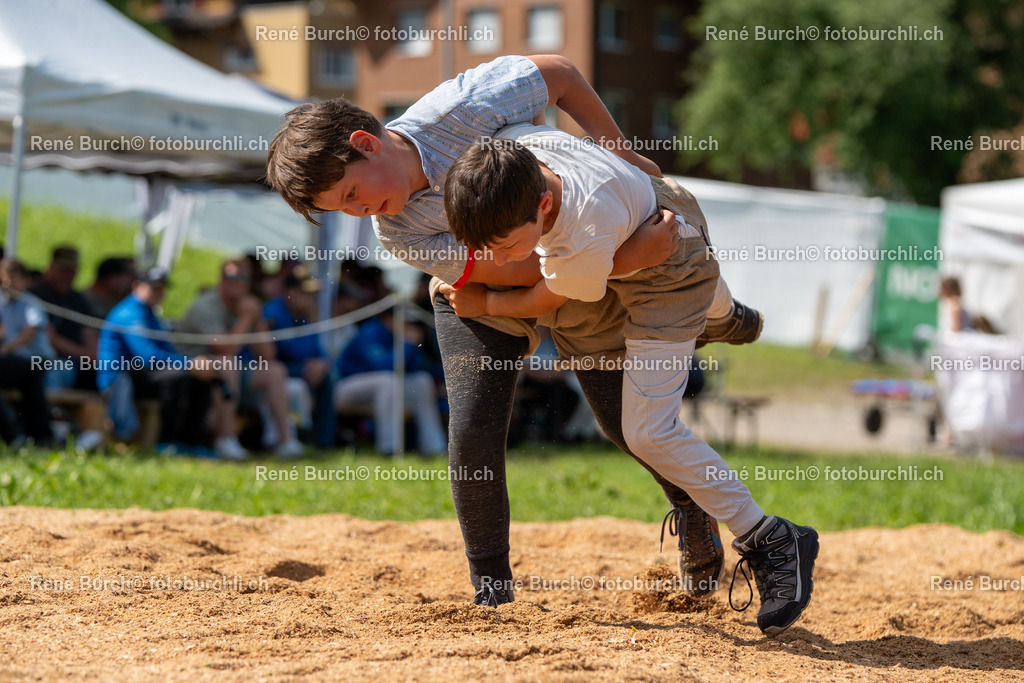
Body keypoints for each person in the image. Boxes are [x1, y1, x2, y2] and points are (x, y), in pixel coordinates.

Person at [266, 55, 760, 609]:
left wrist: (617, 152)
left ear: (366, 141)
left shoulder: (458, 109)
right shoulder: (396, 232)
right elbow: (512, 273)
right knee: (472, 428)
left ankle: (691, 504)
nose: (360, 212)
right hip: (490, 290)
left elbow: (562, 76)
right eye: (343, 211)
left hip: (576, 257)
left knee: (623, 421)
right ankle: (492, 592)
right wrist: (618, 262)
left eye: (353, 193)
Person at [441, 127, 817, 636]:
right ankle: (726, 317)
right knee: (685, 248)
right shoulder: (524, 148)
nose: (503, 259)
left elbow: (543, 298)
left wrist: (484, 302)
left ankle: (770, 536)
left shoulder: (580, 236)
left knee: (647, 431)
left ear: (544, 203)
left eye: (508, 244)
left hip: (665, 277)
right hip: (662, 213)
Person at [98, 267, 231, 455]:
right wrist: (189, 364)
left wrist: (195, 364)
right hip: (122, 378)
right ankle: (165, 442)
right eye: (153, 287)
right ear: (136, 286)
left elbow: (168, 350)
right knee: (176, 377)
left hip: (143, 375)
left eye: (162, 288)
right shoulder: (130, 313)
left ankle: (191, 443)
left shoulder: (150, 314)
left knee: (200, 379)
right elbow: (147, 357)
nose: (158, 292)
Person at [178, 259, 303, 459]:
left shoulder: (248, 306)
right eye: (232, 277)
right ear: (221, 280)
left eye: (244, 277)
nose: (238, 282)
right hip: (190, 366)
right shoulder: (205, 306)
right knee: (228, 363)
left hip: (226, 368)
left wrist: (258, 320)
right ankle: (225, 439)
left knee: (275, 370)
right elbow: (224, 348)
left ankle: (286, 441)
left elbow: (268, 355)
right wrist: (246, 319)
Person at [334, 309, 448, 456]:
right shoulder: (370, 331)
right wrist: (407, 344)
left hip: (383, 388)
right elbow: (383, 366)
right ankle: (389, 449)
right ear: (388, 319)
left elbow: (416, 368)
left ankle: (434, 447)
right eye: (404, 322)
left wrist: (413, 346)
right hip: (345, 387)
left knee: (422, 380)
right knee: (388, 380)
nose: (409, 326)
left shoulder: (401, 336)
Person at [263, 265, 335, 448]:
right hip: (271, 369)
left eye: (312, 295)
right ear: (289, 291)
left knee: (329, 374)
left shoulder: (305, 315)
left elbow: (318, 352)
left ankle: (323, 439)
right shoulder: (272, 312)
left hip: (294, 368)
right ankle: (311, 436)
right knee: (319, 376)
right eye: (305, 293)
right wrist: (313, 322)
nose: (310, 299)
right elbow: (289, 350)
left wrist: (321, 363)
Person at [29, 245, 98, 390]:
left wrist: (94, 358)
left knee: (113, 374)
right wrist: (83, 354)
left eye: (72, 271)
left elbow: (89, 335)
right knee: (57, 370)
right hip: (45, 359)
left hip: (78, 360)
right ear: (50, 267)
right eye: (63, 270)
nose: (67, 276)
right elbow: (49, 338)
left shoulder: (78, 299)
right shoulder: (34, 295)